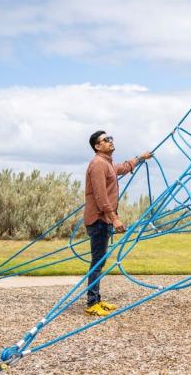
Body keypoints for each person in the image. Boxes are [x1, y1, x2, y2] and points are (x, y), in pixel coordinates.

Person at [84, 130, 152, 316]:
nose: (110, 141)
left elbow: (123, 167)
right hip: (99, 219)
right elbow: (100, 196)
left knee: (100, 261)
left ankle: (96, 299)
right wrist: (114, 218)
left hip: (102, 219)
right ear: (97, 146)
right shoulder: (98, 164)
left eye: (111, 138)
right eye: (106, 140)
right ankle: (92, 304)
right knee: (97, 263)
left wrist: (141, 158)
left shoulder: (107, 164)